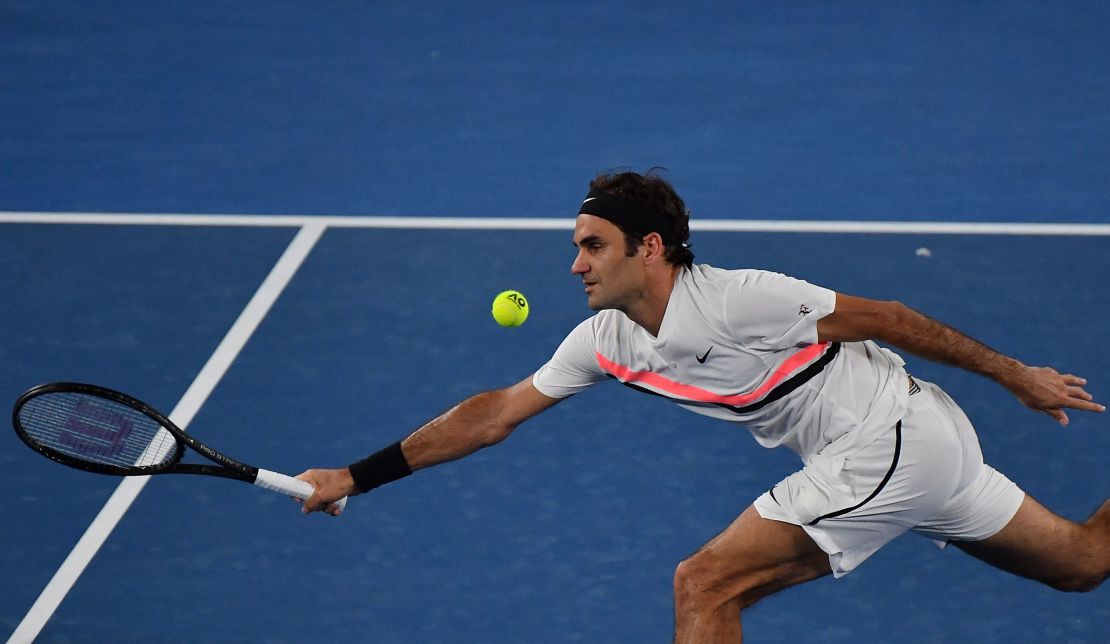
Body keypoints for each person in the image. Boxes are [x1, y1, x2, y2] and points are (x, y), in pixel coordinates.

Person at [297, 170, 1108, 641]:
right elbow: (495, 413)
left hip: (892, 441)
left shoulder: (742, 299)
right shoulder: (608, 341)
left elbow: (889, 319)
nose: (574, 264)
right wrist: (354, 477)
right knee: (1082, 563)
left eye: (591, 245)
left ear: (649, 249)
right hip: (900, 454)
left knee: (705, 584)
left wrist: (1015, 375)